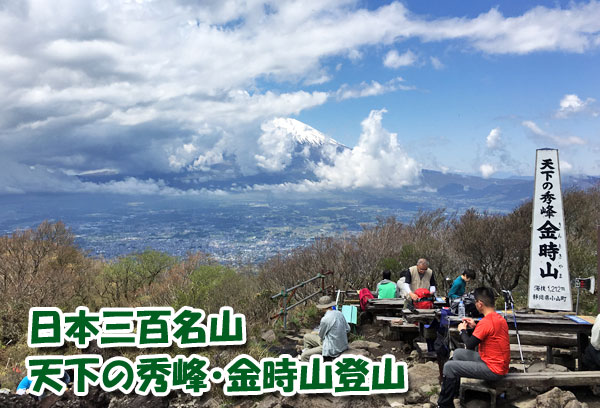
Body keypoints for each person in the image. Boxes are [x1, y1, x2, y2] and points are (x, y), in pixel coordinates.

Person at [437, 287, 510, 408]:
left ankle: (444, 404)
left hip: (493, 369)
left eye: (475, 302)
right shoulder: (498, 318)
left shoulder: (486, 322)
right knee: (458, 353)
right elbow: (486, 335)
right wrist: (475, 326)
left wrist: (462, 331)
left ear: (480, 304)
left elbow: (469, 345)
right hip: (496, 362)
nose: (475, 304)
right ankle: (454, 393)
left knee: (449, 366)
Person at [300, 296, 350, 361]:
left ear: (322, 308)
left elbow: (321, 335)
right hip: (342, 345)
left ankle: (308, 362)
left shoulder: (325, 319)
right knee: (306, 337)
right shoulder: (339, 313)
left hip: (331, 348)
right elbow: (348, 329)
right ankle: (313, 357)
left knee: (304, 356)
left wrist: (317, 332)